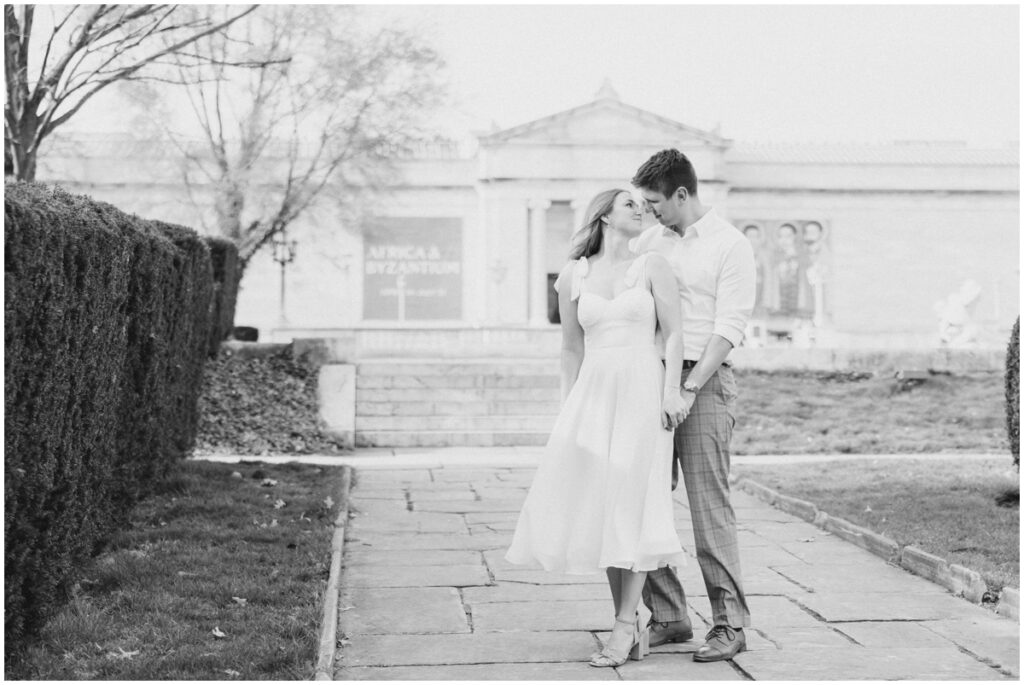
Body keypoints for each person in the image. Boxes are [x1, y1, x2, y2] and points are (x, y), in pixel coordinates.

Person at [505, 188, 689, 668]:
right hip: (593, 395)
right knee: (605, 504)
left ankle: (625, 625)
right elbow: (571, 348)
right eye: (630, 204)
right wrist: (568, 408)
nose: (641, 209)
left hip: (643, 390)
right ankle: (631, 618)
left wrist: (673, 391)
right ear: (604, 215)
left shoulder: (653, 266)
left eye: (643, 207)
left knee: (633, 500)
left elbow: (674, 332)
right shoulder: (573, 275)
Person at [630, 149, 756, 662]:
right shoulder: (647, 242)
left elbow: (729, 327)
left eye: (656, 201)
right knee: (642, 499)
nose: (651, 210)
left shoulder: (731, 245)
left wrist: (688, 388)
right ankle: (670, 615)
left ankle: (730, 624)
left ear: (682, 194)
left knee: (709, 508)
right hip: (646, 377)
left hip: (701, 381)